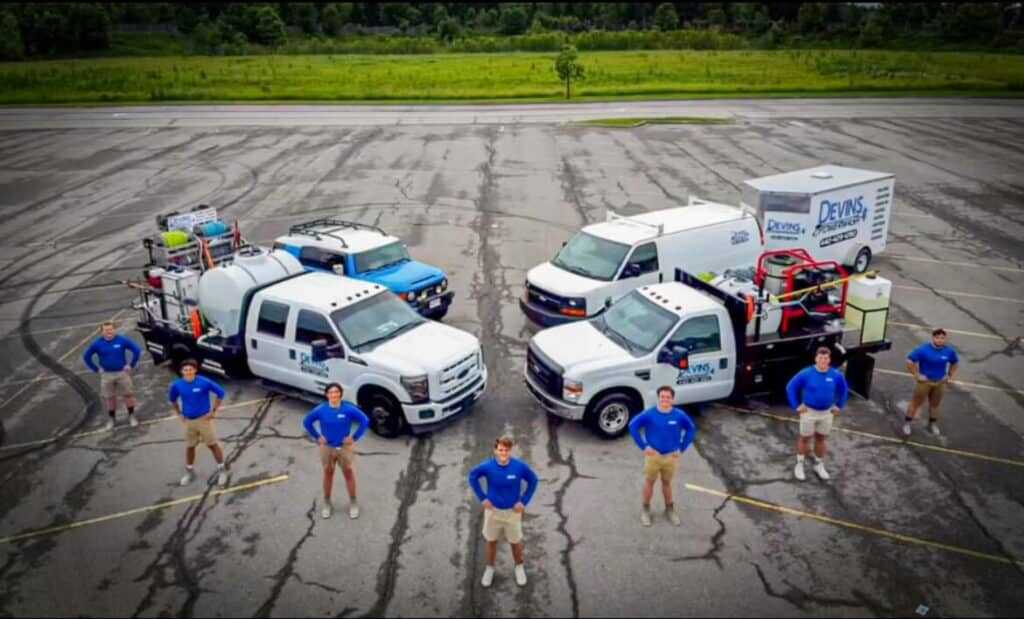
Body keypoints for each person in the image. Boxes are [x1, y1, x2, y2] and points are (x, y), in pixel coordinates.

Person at [468, 435, 539, 588]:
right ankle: (490, 568)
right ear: (495, 450)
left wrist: (524, 501)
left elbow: (533, 480)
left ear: (510, 451)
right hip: (493, 512)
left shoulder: (519, 467)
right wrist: (482, 498)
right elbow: (472, 476)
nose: (503, 453)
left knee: (515, 542)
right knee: (491, 541)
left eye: (506, 450)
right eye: (500, 450)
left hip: (513, 514)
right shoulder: (487, 466)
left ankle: (519, 567)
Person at [628, 385, 698, 527]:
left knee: (667, 483)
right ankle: (646, 510)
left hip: (671, 457)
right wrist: (644, 446)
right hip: (653, 456)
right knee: (650, 482)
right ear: (658, 398)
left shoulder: (679, 415)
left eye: (668, 397)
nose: (665, 399)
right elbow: (633, 426)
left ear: (672, 399)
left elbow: (691, 429)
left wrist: (682, 448)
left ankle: (669, 510)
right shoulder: (650, 414)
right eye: (662, 397)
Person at [302, 383, 370, 520]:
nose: (334, 395)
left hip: (345, 448)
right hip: (327, 447)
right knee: (328, 473)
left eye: (336, 392)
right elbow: (307, 422)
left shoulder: (348, 409)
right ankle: (327, 503)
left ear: (340, 394)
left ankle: (353, 502)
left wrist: (354, 437)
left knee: (348, 473)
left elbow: (364, 420)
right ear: (327, 395)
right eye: (331, 392)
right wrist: (317, 436)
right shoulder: (321, 410)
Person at [786, 347, 849, 481]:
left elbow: (844, 390)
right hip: (809, 412)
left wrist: (839, 405)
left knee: (821, 438)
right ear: (816, 358)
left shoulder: (836, 375)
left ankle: (818, 465)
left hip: (826, 413)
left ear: (829, 359)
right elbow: (791, 387)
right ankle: (799, 464)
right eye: (820, 358)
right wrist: (796, 405)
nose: (823, 360)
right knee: (805, 438)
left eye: (826, 358)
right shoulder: (806, 373)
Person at [168, 359, 228, 488]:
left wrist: (213, 411)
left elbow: (220, 393)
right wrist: (180, 414)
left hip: (204, 420)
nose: (188, 372)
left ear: (195, 370)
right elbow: (173, 400)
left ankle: (222, 471)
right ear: (181, 371)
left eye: (190, 369)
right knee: (190, 447)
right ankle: (190, 472)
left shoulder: (204, 382)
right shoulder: (177, 385)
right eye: (185, 370)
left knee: (212, 445)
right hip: (189, 421)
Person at [82, 321, 142, 431]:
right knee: (110, 398)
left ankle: (132, 416)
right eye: (106, 330)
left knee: (128, 395)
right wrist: (96, 368)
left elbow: (137, 350)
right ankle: (112, 419)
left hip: (122, 373)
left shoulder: (122, 340)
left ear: (114, 330)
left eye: (110, 329)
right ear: (102, 332)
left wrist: (131, 364)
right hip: (106, 375)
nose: (109, 332)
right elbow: (86, 356)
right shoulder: (97, 344)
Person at [904, 328, 959, 437]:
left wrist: (949, 375)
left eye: (942, 338)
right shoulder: (923, 349)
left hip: (939, 383)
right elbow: (910, 361)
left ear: (945, 339)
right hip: (925, 383)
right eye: (937, 338)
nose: (940, 340)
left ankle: (932, 424)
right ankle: (907, 424)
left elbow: (955, 363)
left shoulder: (949, 351)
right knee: (915, 403)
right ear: (933, 338)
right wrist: (917, 375)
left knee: (935, 405)